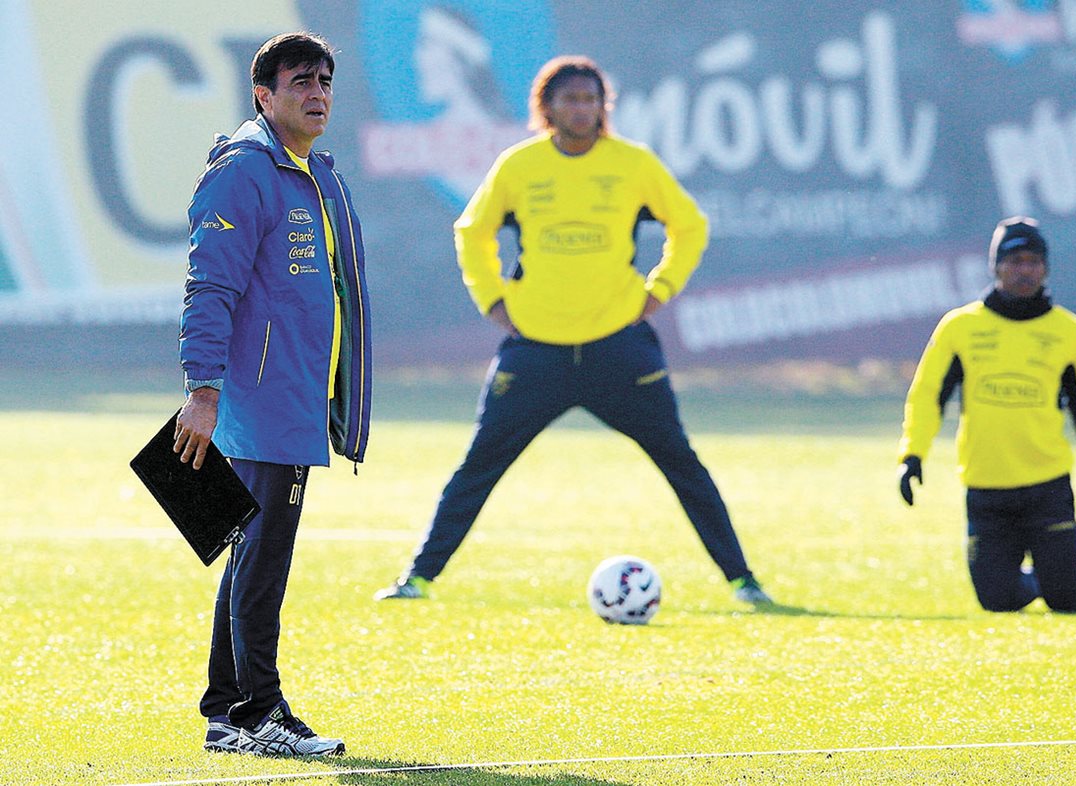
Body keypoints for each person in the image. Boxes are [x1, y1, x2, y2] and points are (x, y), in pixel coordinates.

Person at [375, 55, 772, 607]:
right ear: (547, 107)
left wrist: (660, 289)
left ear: (603, 107)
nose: (581, 109)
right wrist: (492, 299)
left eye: (591, 99)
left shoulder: (632, 163)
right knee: (478, 466)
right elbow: (472, 231)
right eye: (570, 99)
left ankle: (743, 581)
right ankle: (417, 578)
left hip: (619, 347)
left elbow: (690, 224)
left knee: (681, 463)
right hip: (536, 350)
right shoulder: (520, 165)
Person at [175, 32, 372, 756]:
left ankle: (227, 713)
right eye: (299, 82)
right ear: (264, 94)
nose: (317, 92)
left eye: (324, 80)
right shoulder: (245, 172)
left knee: (246, 555)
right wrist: (202, 390)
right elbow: (209, 287)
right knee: (263, 562)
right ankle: (263, 712)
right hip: (258, 404)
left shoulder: (310, 172)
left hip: (288, 399)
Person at [897, 216, 1076, 614]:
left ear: (1045, 267)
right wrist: (912, 455)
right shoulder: (960, 327)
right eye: (1014, 261)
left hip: (1046, 487)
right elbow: (926, 397)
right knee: (998, 601)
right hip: (986, 488)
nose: (1024, 270)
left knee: (1066, 599)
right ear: (995, 266)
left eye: (1032, 261)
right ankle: (1049, 575)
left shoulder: (1070, 332)